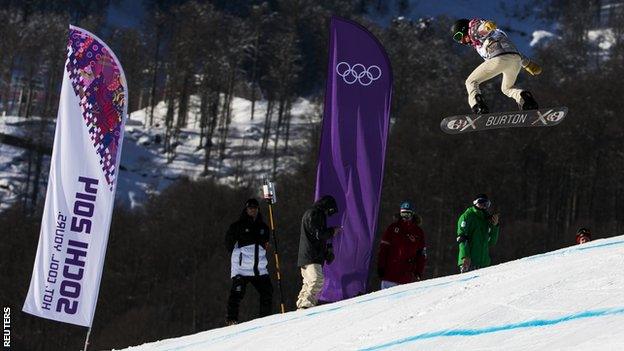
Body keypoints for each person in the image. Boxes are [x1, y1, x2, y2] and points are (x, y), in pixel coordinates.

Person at [451, 18, 541, 114]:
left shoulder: (473, 30)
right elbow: (512, 52)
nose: (461, 41)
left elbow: (479, 30)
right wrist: (528, 64)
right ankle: (526, 100)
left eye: (459, 36)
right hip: (515, 60)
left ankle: (478, 106)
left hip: (499, 59)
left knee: (471, 82)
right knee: (507, 88)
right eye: (457, 40)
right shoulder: (494, 35)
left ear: (464, 29)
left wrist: (486, 27)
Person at [225, 198, 273, 325]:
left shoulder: (264, 227)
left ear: (258, 209)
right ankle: (231, 320)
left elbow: (266, 243)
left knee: (268, 292)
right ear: (246, 209)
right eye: (250, 208)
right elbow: (228, 244)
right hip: (242, 269)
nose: (253, 210)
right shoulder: (237, 226)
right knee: (237, 294)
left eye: (255, 208)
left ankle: (265, 319)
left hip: (259, 269)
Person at [296, 195, 342, 309]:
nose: (328, 214)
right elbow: (318, 234)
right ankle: (306, 303)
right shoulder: (314, 214)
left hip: (308, 255)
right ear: (327, 207)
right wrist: (332, 231)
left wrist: (326, 253)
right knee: (317, 280)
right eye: (329, 211)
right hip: (311, 256)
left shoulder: (314, 213)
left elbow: (317, 238)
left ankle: (302, 303)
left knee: (308, 282)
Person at [377, 201, 427, 290]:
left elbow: (421, 254)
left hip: (406, 275)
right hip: (390, 273)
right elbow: (383, 249)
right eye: (403, 214)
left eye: (407, 215)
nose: (405, 218)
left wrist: (419, 271)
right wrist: (381, 266)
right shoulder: (393, 228)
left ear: (412, 215)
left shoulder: (418, 232)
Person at [456, 194, 500, 273]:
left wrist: (495, 226)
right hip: (469, 263)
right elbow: (461, 238)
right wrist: (465, 257)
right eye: (481, 203)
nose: (484, 206)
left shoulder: (486, 218)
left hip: (484, 263)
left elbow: (492, 242)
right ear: (475, 203)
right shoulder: (467, 216)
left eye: (486, 204)